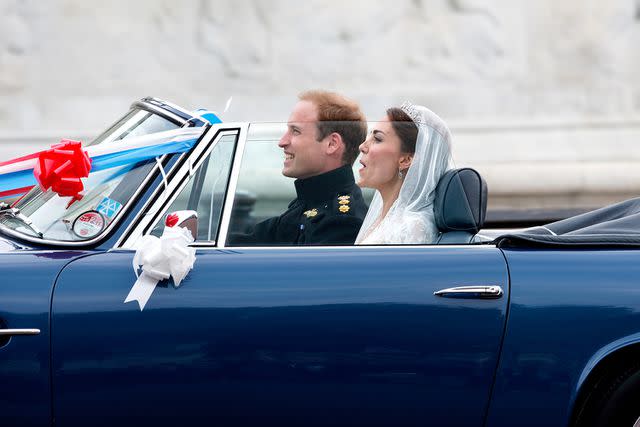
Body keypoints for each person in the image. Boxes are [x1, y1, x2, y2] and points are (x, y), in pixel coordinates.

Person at [229, 90, 369, 245]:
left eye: (295, 131)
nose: (282, 142)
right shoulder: (310, 202)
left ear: (332, 144)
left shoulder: (341, 222)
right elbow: (249, 241)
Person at [355, 102, 453, 244]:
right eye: (369, 136)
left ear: (406, 160)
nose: (362, 146)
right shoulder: (384, 219)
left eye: (377, 139)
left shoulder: (410, 227)